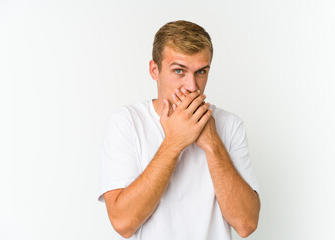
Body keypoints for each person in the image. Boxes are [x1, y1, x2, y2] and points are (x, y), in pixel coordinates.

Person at [97, 20, 260, 239]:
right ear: (154, 70)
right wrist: (174, 142)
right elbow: (123, 223)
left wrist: (212, 143)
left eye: (201, 71)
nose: (192, 86)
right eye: (179, 71)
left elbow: (246, 224)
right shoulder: (127, 122)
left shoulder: (229, 125)